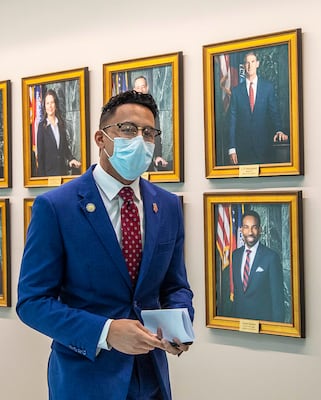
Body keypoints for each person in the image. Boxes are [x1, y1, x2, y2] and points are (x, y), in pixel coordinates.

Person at [17, 90, 194, 400]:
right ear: (101, 138)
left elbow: (175, 285)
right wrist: (106, 332)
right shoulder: (57, 207)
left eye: (149, 133)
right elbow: (32, 302)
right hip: (86, 379)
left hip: (151, 377)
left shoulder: (166, 206)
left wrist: (180, 322)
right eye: (128, 129)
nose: (140, 140)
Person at [228, 51, 288, 165]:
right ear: (243, 66)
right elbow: (232, 122)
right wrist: (232, 148)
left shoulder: (268, 87)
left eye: (252, 61)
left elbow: (274, 113)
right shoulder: (236, 91)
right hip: (242, 150)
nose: (249, 65)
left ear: (257, 64)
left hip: (265, 148)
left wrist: (279, 130)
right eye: (246, 63)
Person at [231, 210, 285, 322]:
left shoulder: (271, 257)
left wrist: (276, 331)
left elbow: (277, 300)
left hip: (263, 326)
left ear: (260, 230)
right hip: (239, 326)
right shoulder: (235, 255)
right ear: (241, 230)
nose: (250, 232)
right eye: (246, 227)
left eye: (254, 227)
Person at [36, 89, 81, 176]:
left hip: (62, 172)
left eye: (52, 102)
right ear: (44, 106)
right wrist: (41, 178)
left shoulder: (60, 124)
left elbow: (65, 148)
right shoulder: (42, 126)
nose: (50, 106)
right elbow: (40, 155)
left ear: (56, 104)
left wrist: (71, 159)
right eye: (47, 103)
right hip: (48, 174)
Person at [133, 75, 168, 171]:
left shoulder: (152, 109)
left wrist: (158, 156)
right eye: (138, 87)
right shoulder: (128, 109)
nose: (140, 90)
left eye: (143, 87)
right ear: (134, 89)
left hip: (147, 157)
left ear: (147, 88)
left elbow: (156, 133)